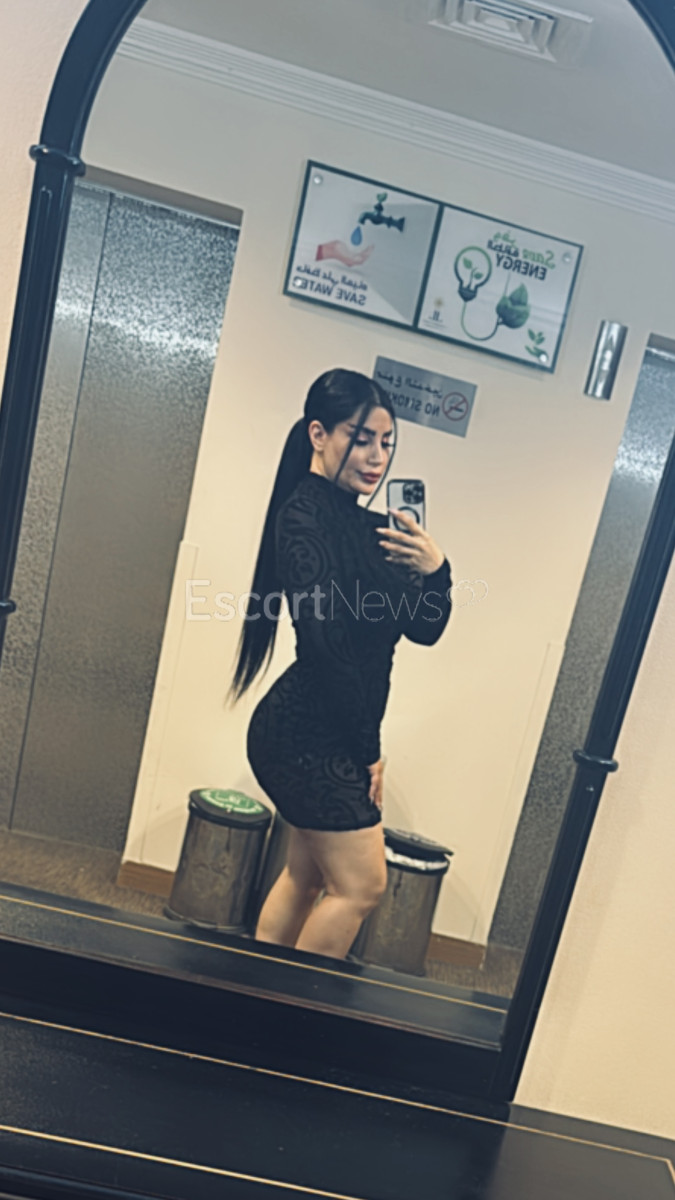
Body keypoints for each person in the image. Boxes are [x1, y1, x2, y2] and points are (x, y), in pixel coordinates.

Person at [227, 368, 452, 960]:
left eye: (387, 442)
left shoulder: (374, 528)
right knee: (361, 886)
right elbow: (328, 648)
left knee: (307, 878)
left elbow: (425, 627)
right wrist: (368, 749)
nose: (377, 457)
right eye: (362, 437)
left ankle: (258, 997)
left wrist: (436, 570)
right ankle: (289, 1007)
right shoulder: (302, 517)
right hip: (304, 734)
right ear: (319, 434)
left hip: (333, 728)